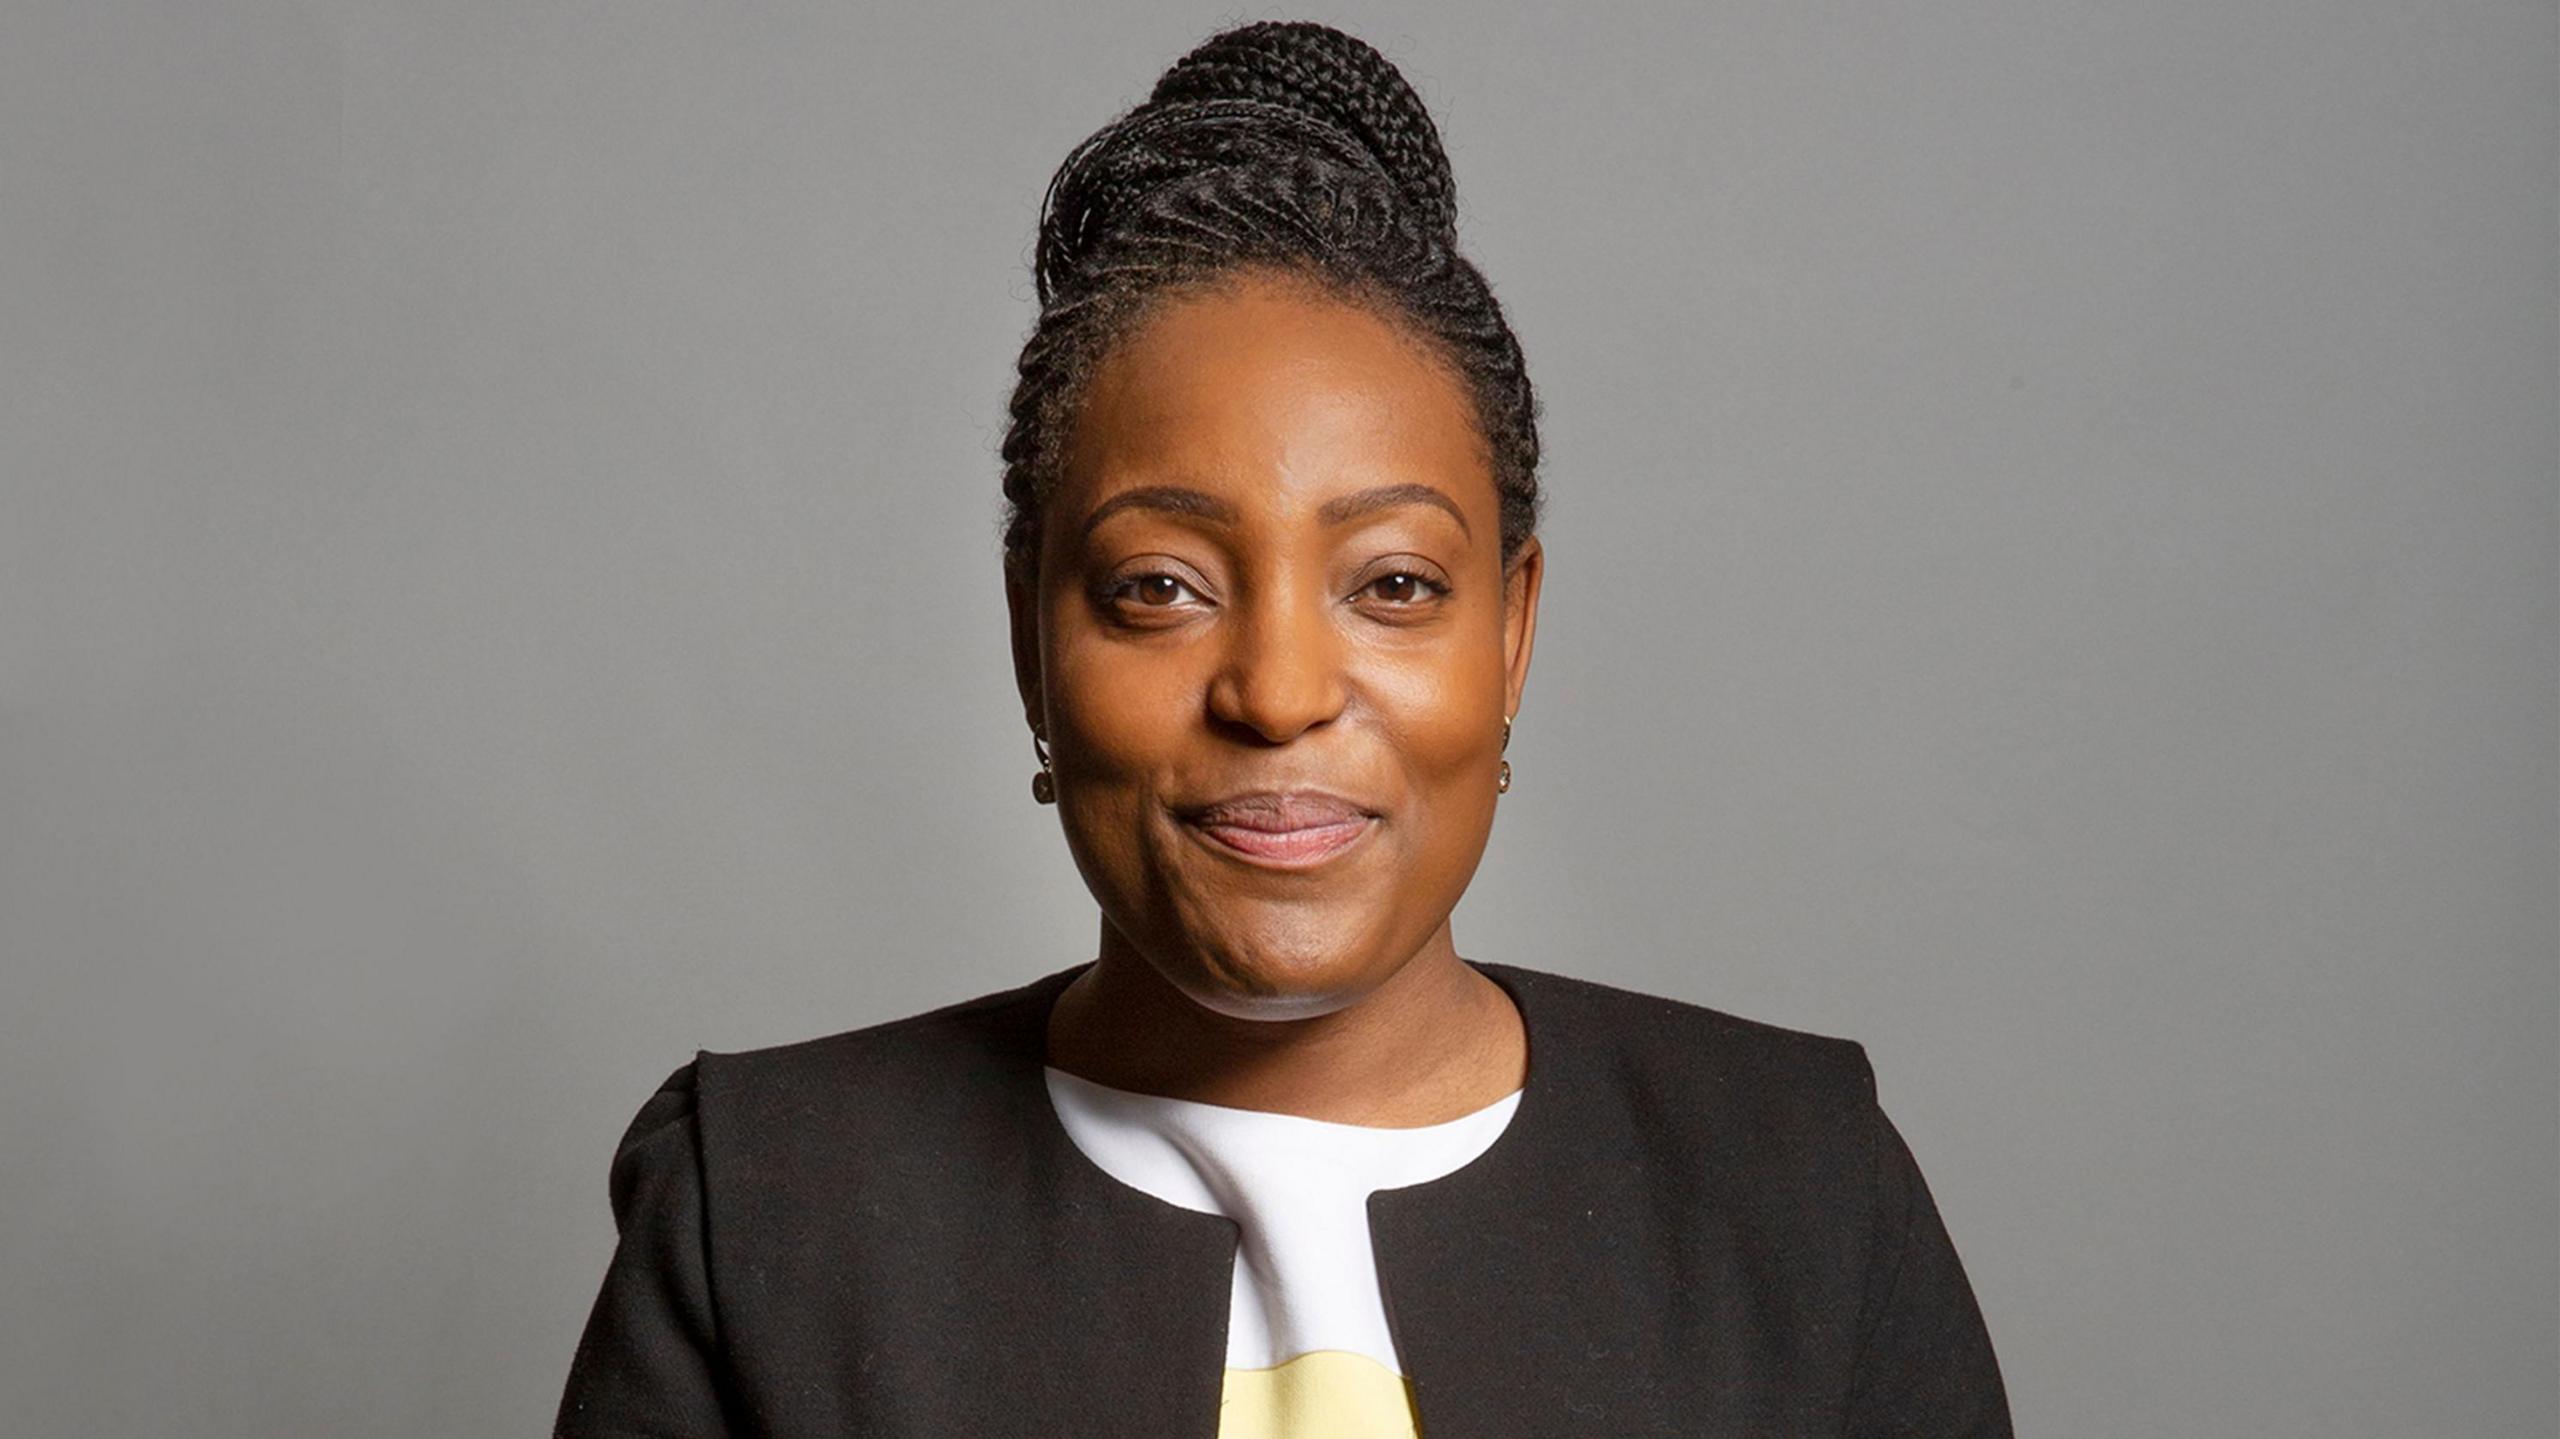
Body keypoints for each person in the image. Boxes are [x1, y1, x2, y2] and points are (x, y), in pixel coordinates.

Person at [554, 21, 2010, 1438]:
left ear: (1509, 637)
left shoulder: (1801, 1194)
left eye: (1393, 585)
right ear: (1028, 643)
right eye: (1160, 588)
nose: (1280, 690)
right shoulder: (763, 1221)